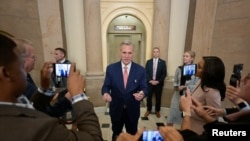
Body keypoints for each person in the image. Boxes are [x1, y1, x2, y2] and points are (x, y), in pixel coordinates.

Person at [0, 33, 103, 141]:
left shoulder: (15, 104)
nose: (25, 73)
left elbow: (35, 110)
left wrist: (45, 88)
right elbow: (94, 139)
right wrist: (78, 95)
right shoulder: (40, 129)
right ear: (5, 73)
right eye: (21, 65)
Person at [101, 40, 148, 141]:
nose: (127, 56)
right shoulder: (111, 69)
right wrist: (105, 93)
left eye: (129, 53)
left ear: (133, 54)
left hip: (132, 110)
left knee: (132, 135)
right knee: (116, 134)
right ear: (120, 53)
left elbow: (145, 87)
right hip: (116, 109)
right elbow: (106, 86)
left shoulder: (140, 70)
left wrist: (142, 93)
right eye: (124, 52)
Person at [167, 50, 199, 126]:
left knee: (184, 117)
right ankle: (167, 134)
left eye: (187, 56)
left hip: (188, 97)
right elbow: (175, 82)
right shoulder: (179, 69)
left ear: (192, 58)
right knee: (172, 115)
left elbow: (197, 85)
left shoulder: (196, 70)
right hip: (177, 95)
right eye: (183, 56)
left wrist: (186, 87)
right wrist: (178, 87)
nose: (184, 57)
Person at [144, 47, 167, 118]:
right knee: (149, 97)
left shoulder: (162, 62)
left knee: (158, 98)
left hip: (158, 84)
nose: (155, 53)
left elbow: (164, 73)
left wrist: (158, 81)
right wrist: (150, 80)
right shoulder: (148, 62)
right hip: (149, 83)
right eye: (154, 52)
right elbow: (146, 72)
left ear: (159, 53)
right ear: (152, 53)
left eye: (157, 52)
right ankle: (148, 110)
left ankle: (157, 111)